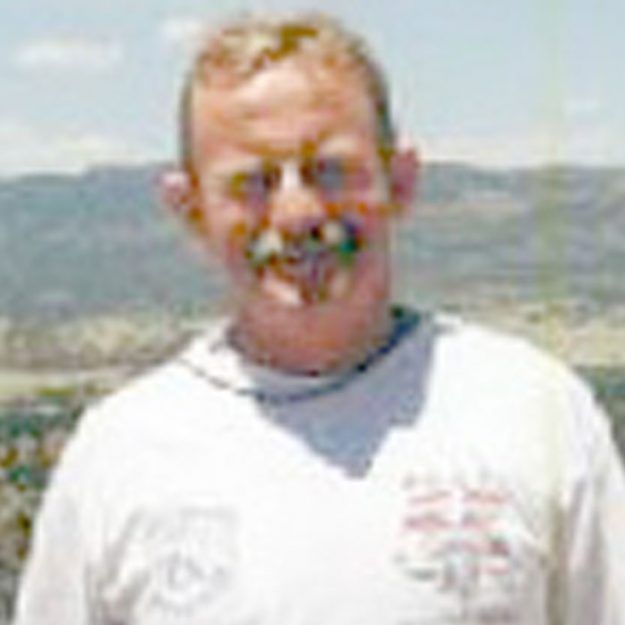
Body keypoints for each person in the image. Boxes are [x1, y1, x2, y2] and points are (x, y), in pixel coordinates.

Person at [13, 12, 625, 625]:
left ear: (400, 182)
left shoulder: (534, 413)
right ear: (191, 209)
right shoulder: (119, 455)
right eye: (253, 182)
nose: (297, 212)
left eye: (329, 171)